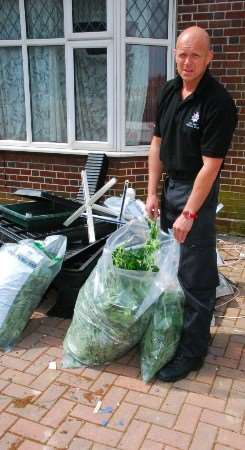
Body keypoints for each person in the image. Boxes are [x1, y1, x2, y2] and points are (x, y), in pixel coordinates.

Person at [146, 26, 237, 382]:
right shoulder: (169, 90)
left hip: (195, 192)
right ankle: (176, 332)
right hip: (169, 188)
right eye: (182, 53)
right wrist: (152, 192)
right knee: (172, 267)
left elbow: (211, 167)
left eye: (195, 55)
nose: (187, 61)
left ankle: (193, 353)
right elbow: (156, 144)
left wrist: (189, 213)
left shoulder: (218, 103)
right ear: (175, 54)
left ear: (209, 58)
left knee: (196, 276)